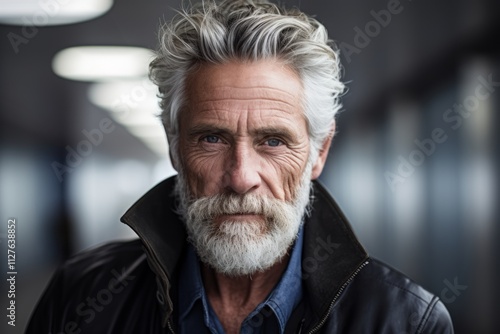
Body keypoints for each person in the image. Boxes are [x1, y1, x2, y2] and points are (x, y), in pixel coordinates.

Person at [27, 0, 454, 333]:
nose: (241, 177)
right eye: (212, 138)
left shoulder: (406, 321)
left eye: (273, 141)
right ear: (175, 148)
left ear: (318, 153)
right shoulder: (81, 295)